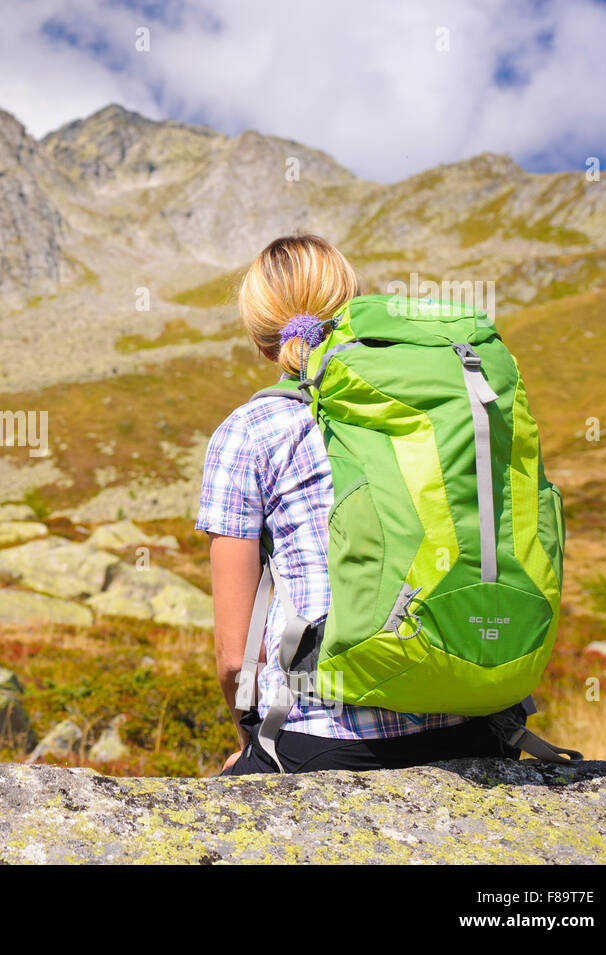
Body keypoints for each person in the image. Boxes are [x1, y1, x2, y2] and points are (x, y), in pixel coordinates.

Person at [199, 234, 521, 775]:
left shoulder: (249, 432)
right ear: (355, 305)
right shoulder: (429, 406)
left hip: (323, 735)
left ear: (262, 340)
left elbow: (236, 659)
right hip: (475, 720)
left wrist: (250, 740)